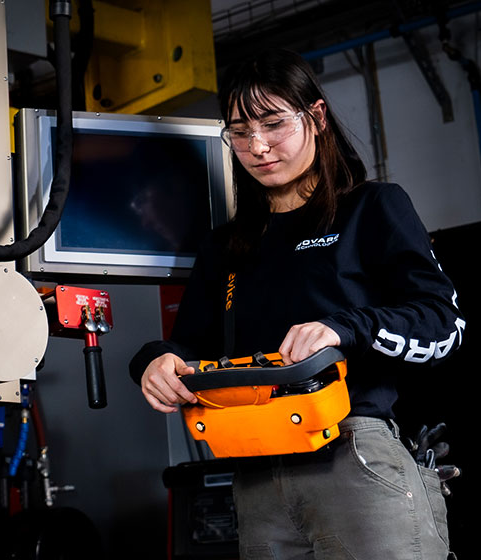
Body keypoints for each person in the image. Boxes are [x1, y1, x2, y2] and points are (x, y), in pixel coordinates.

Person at [129, 48, 464, 559]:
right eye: (240, 132)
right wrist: (153, 359)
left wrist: (343, 328)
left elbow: (444, 323)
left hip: (353, 455)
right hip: (255, 467)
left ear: (318, 117)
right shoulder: (227, 247)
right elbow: (187, 343)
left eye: (273, 124)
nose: (257, 146)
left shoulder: (371, 209)